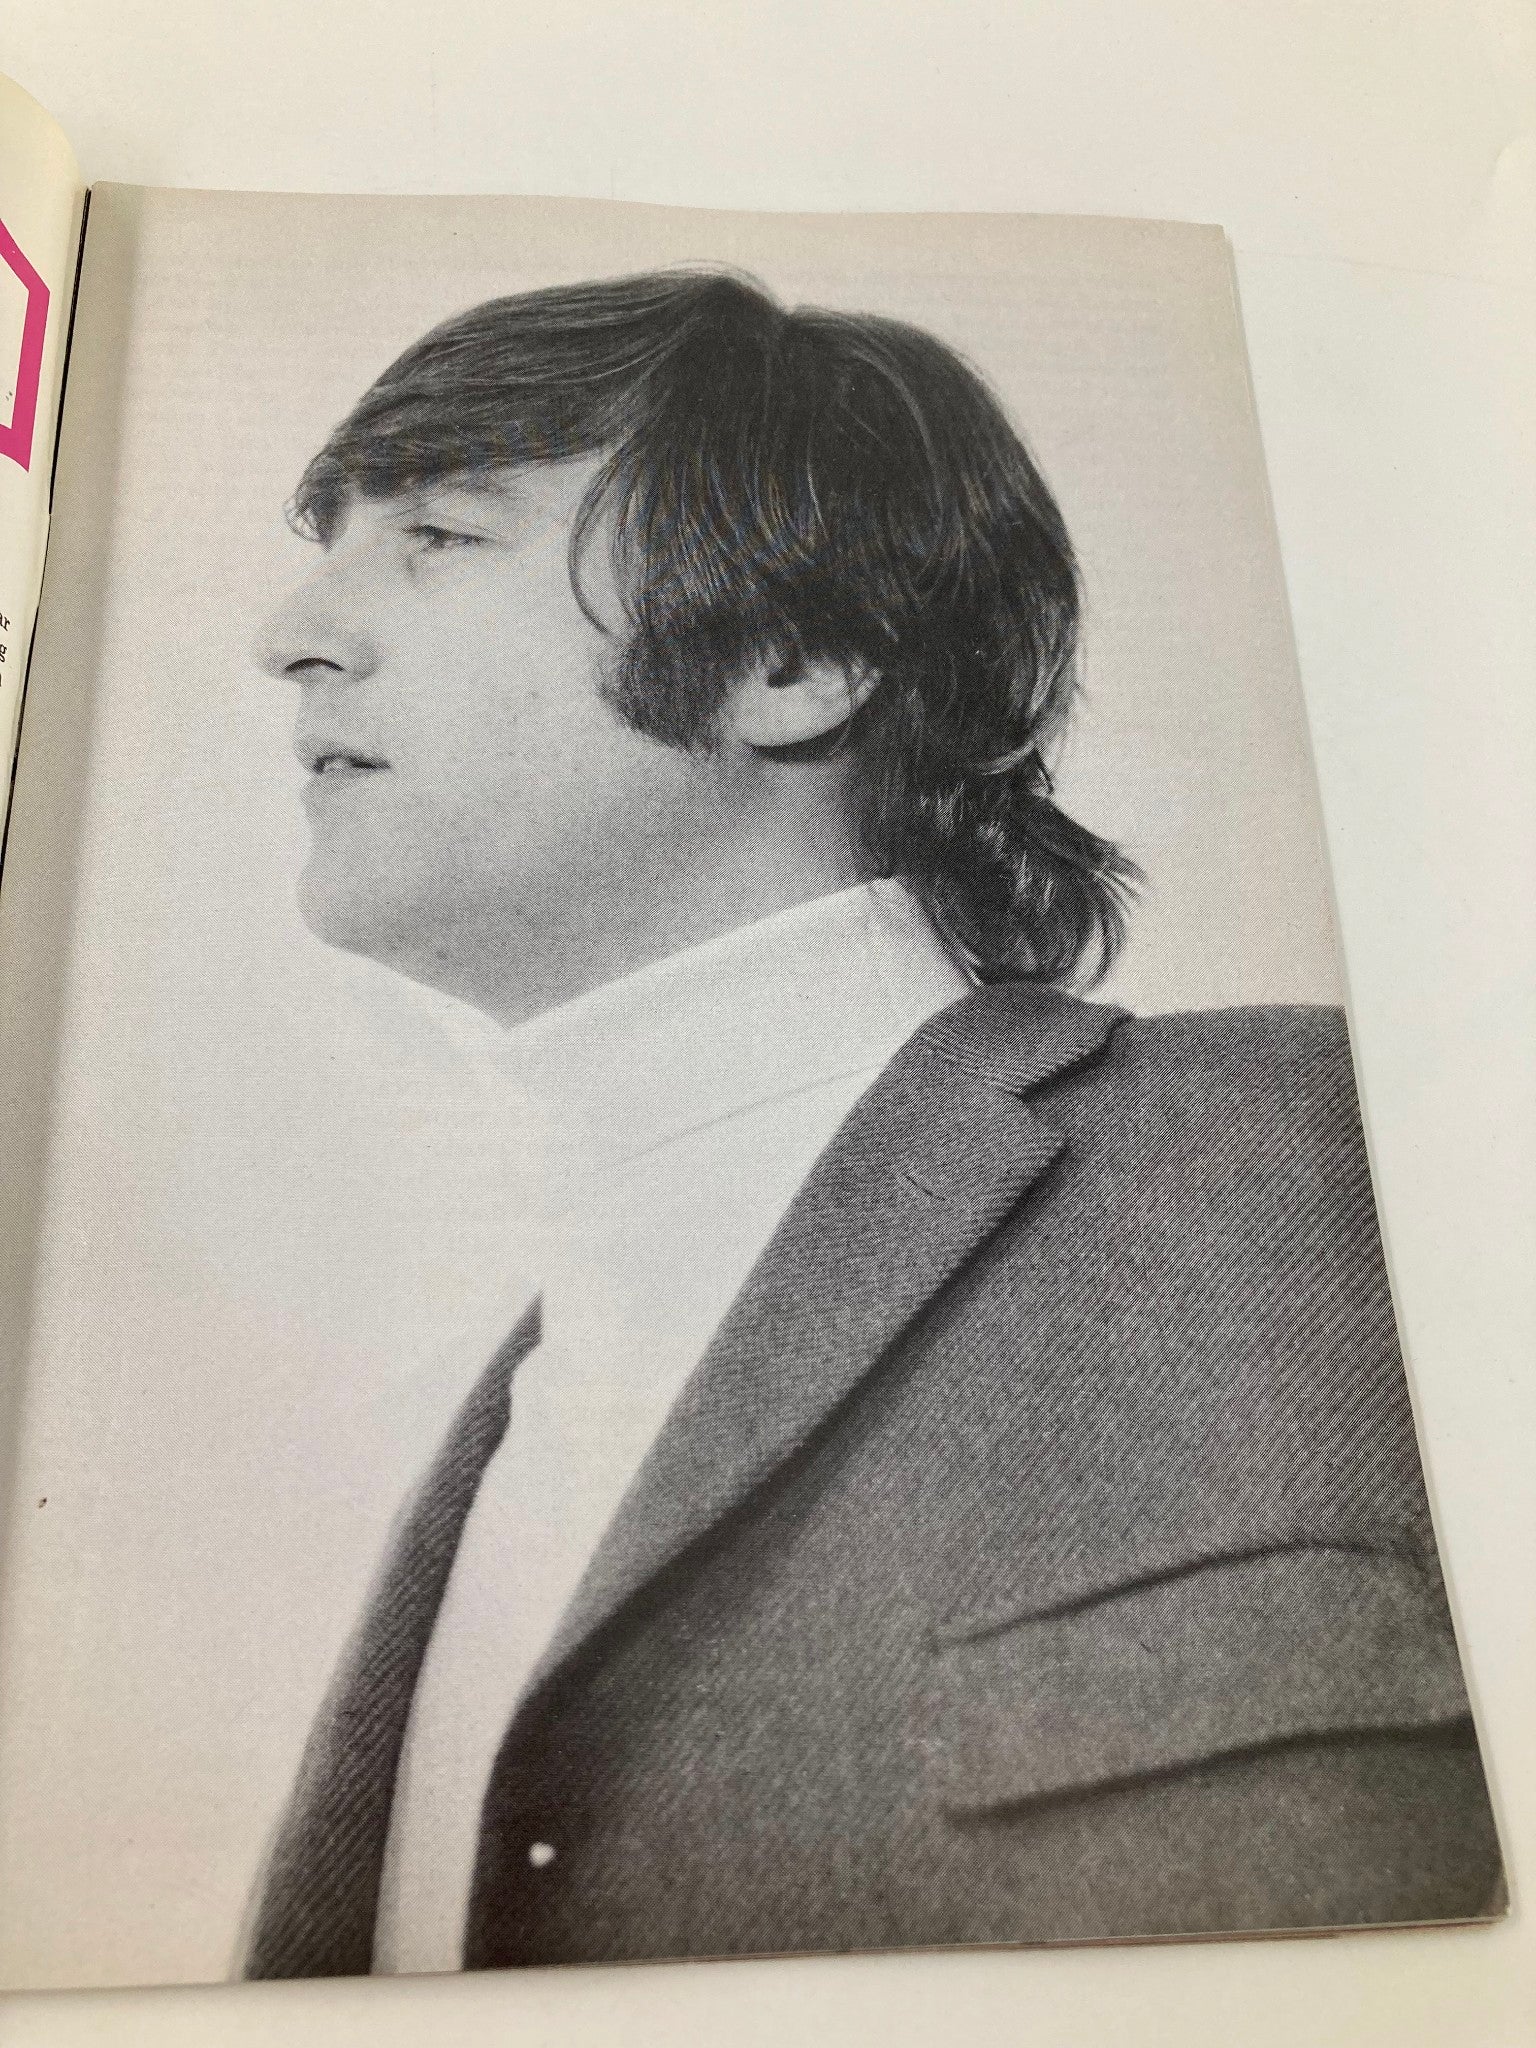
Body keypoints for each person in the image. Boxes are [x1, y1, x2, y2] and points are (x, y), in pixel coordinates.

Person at [243, 270, 1501, 1979]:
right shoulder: (511, 1418)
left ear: (797, 655)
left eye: (441, 536)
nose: (293, 631)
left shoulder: (1345, 1157)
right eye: (333, 539)